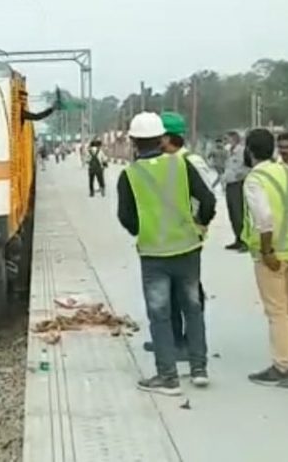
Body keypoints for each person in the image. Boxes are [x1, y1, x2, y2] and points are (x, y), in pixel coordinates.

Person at [117, 112, 216, 395]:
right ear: (161, 139)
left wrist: (142, 230)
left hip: (154, 254)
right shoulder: (182, 165)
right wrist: (200, 224)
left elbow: (126, 217)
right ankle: (199, 369)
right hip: (187, 248)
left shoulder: (130, 175)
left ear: (134, 142)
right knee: (193, 308)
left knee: (160, 314)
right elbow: (207, 200)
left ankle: (168, 377)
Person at [141, 112, 211, 360]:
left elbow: (206, 199)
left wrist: (199, 226)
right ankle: (172, 341)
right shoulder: (163, 164)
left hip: (186, 239)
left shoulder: (189, 162)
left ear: (166, 138)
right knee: (170, 296)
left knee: (188, 297)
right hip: (166, 239)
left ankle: (189, 346)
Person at [241, 128, 288, 388]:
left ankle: (282, 366)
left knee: (277, 312)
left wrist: (267, 251)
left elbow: (264, 218)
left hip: (273, 253)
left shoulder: (256, 178)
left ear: (249, 151)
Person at [221, 131, 249, 251]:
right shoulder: (229, 152)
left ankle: (245, 240)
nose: (225, 142)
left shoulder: (242, 152)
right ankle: (237, 238)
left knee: (239, 213)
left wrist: (241, 175)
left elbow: (249, 166)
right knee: (232, 213)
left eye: (227, 139)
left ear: (235, 139)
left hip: (239, 184)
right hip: (230, 184)